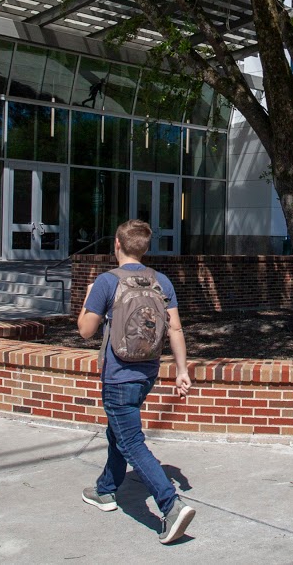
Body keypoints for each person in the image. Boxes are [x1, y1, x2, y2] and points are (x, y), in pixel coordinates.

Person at [78, 219, 195, 545]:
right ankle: (105, 489)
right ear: (145, 248)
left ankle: (170, 506)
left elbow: (85, 331)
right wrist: (182, 371)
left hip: (118, 377)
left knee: (130, 441)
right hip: (147, 374)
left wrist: (87, 299)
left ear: (117, 244)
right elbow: (175, 329)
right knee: (118, 431)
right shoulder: (161, 281)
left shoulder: (106, 282)